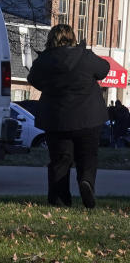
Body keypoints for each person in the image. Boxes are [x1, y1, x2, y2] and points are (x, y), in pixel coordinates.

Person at [27, 23, 108, 208]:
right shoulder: (85, 56)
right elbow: (104, 69)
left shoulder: (45, 61)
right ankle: (86, 181)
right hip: (89, 117)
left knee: (60, 160)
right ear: (72, 37)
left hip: (57, 119)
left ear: (51, 39)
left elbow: (33, 80)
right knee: (88, 156)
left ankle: (60, 200)